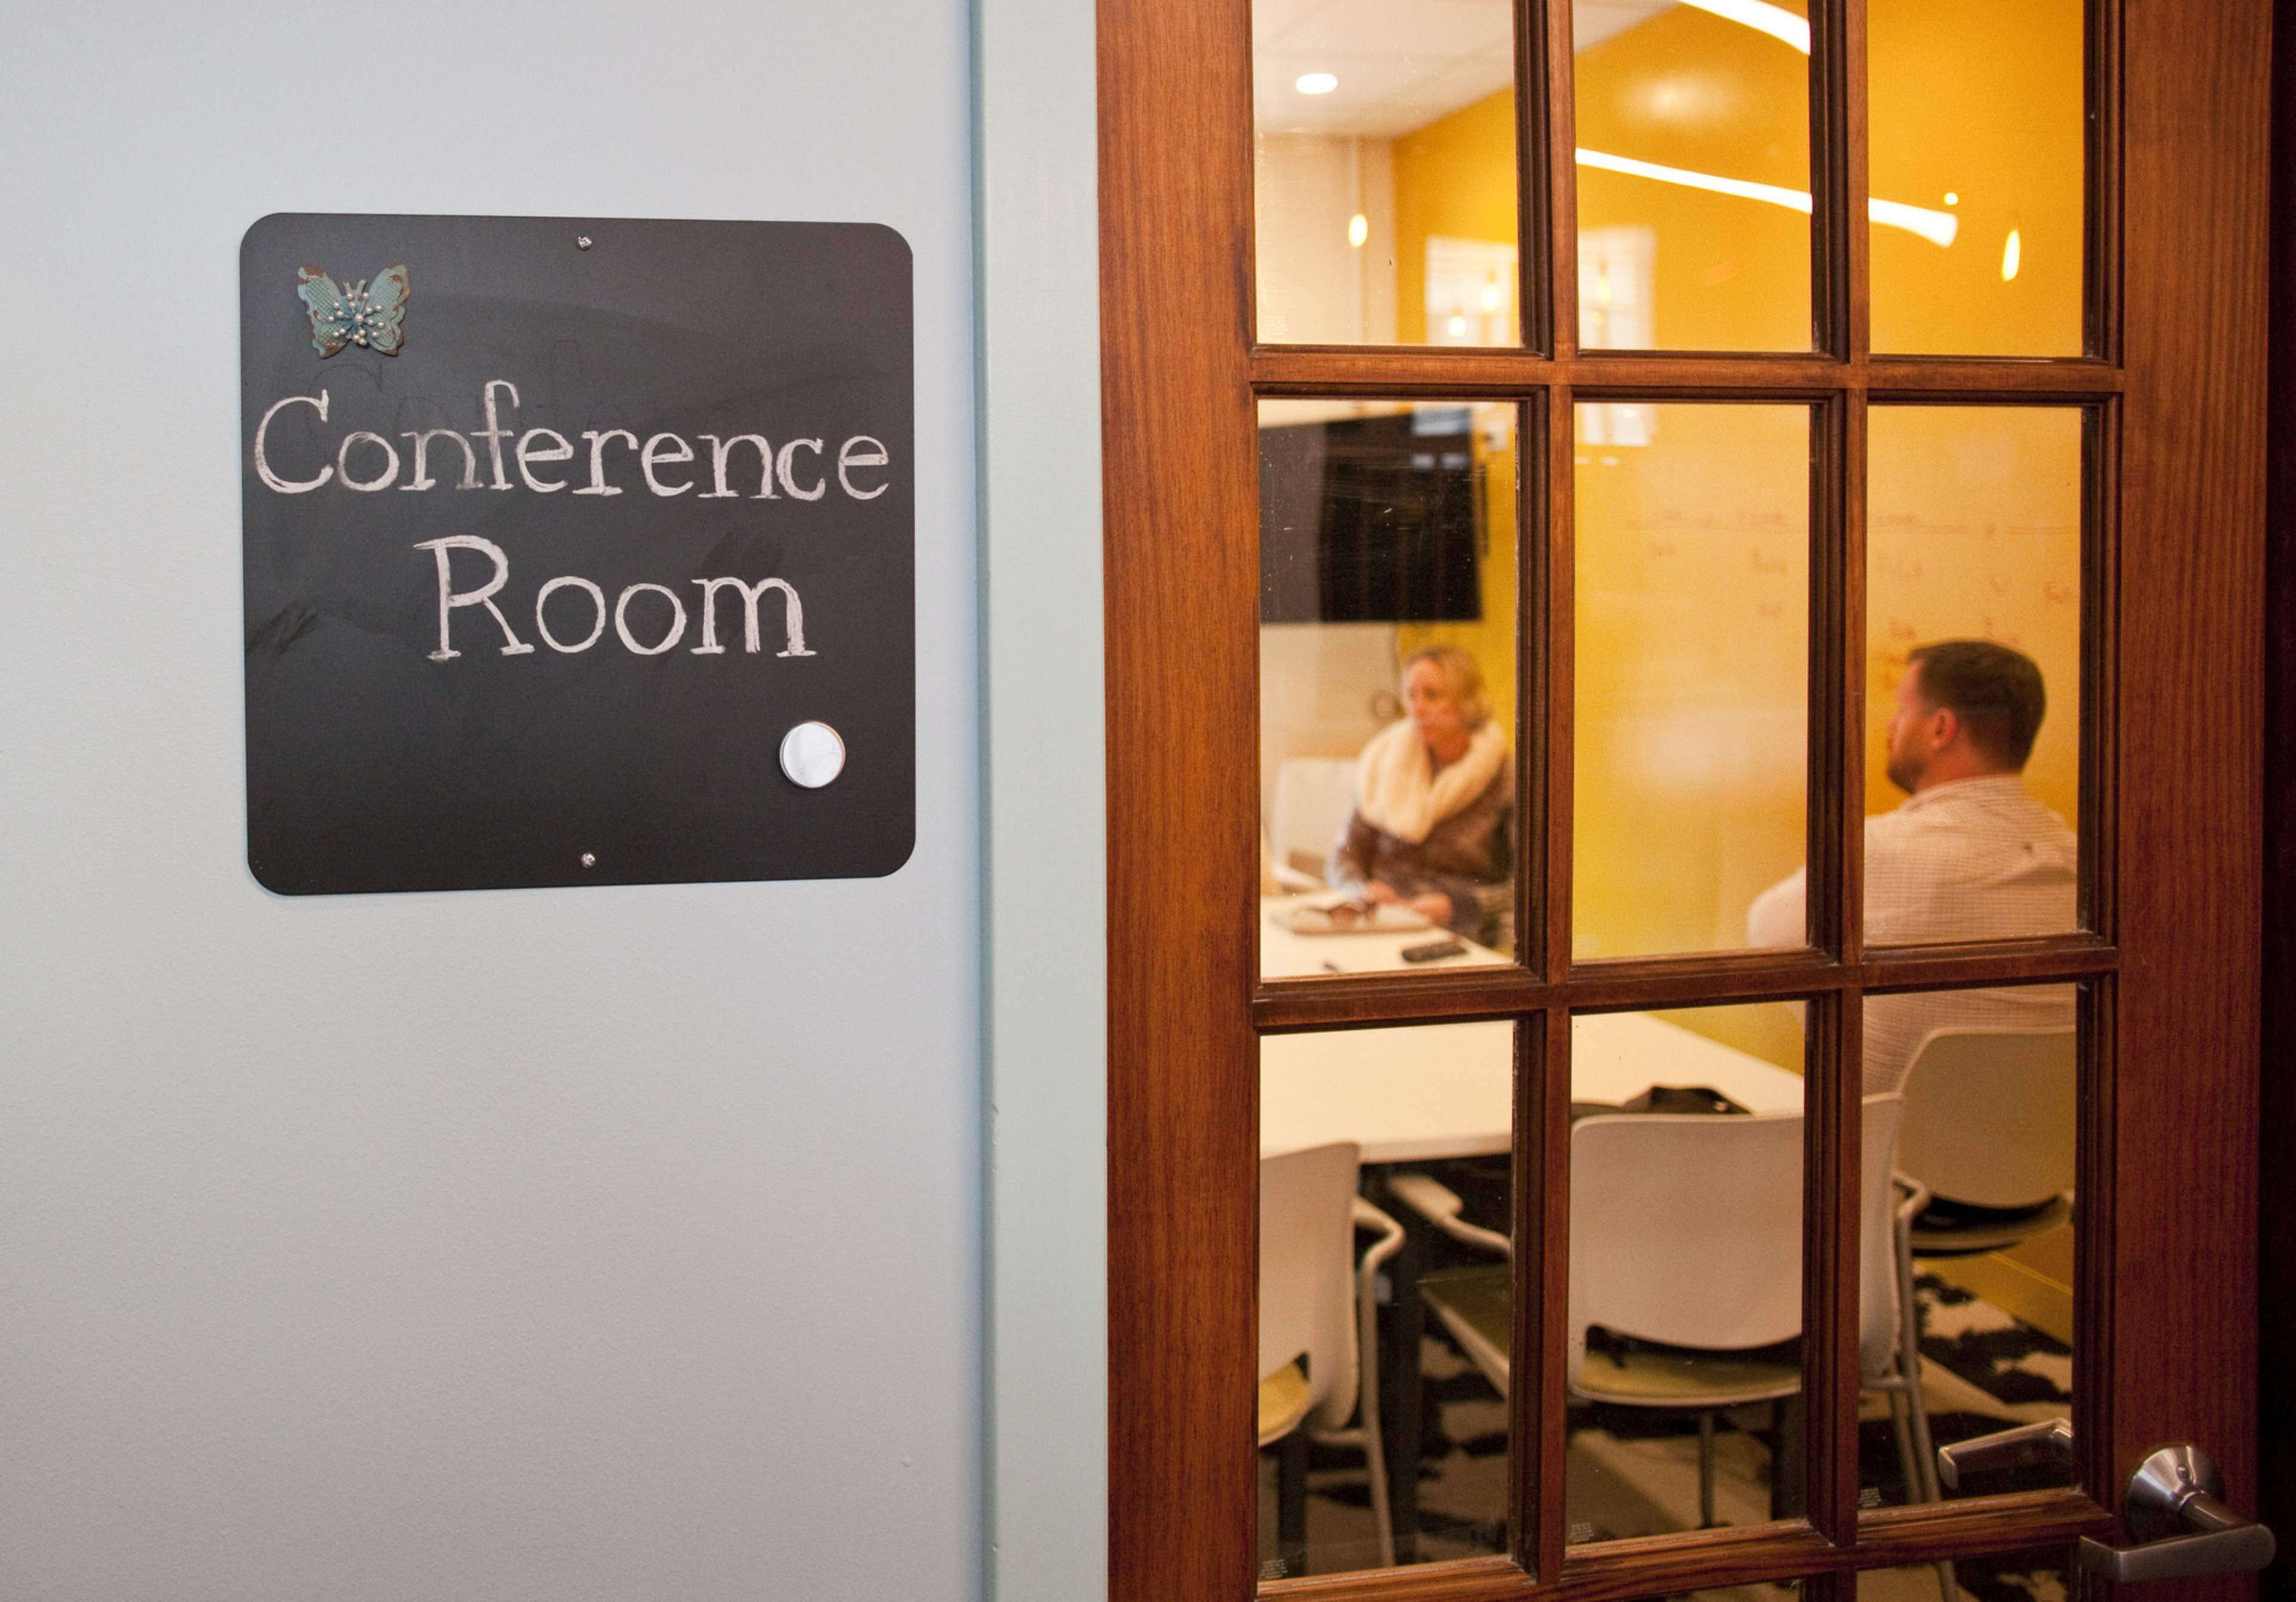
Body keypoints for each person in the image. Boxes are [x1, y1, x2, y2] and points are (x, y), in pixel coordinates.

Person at [1748, 640, 2077, 1094]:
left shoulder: (1877, 852)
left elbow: (1767, 935)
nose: (1890, 725)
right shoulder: (2079, 861)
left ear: (1941, 728)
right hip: (2056, 1161)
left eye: (1902, 710)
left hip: (1876, 1157)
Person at [1328, 645, 1512, 942]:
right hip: (1382, 924)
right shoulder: (1383, 763)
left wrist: (1456, 906)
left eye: (1432, 695)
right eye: (1411, 696)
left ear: (1467, 702)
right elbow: (1343, 858)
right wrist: (1362, 889)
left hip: (1463, 936)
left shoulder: (1506, 776)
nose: (1418, 708)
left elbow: (1529, 891)